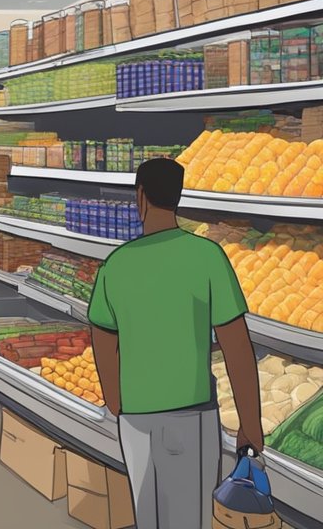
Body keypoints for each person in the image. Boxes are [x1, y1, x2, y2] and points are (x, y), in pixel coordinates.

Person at [88, 158, 263, 528]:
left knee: (148, 516)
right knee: (190, 519)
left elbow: (102, 338)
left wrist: (116, 401)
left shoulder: (115, 266)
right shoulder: (207, 257)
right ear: (177, 198)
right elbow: (237, 346)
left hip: (136, 419)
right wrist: (250, 421)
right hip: (191, 415)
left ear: (141, 198)